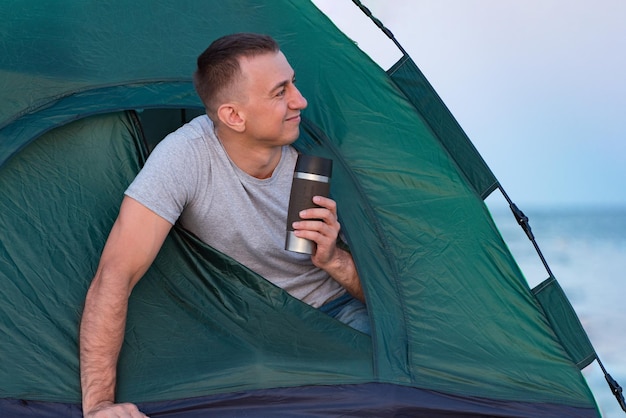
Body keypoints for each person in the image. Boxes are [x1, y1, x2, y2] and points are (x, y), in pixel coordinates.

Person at [79, 33, 369, 418]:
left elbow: (405, 296)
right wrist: (99, 405)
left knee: (397, 382)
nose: (301, 100)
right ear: (234, 116)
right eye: (280, 92)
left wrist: (336, 262)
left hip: (336, 309)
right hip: (248, 329)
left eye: (293, 83)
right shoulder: (185, 157)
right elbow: (114, 275)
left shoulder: (319, 147)